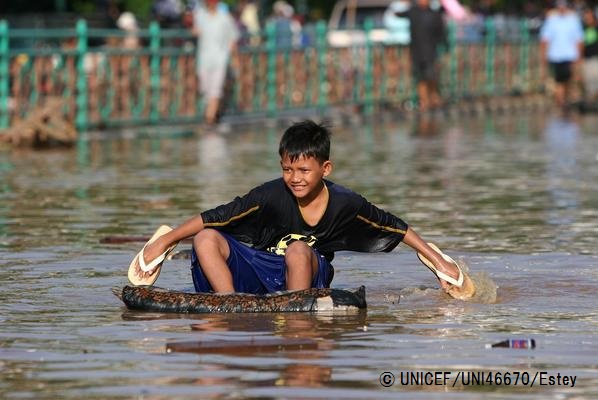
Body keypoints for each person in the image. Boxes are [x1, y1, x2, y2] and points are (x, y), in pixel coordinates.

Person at [130, 120, 474, 300]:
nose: (294, 178)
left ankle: (295, 308)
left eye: (304, 171)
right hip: (263, 268)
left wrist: (439, 262)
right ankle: (230, 303)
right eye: (287, 169)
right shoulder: (269, 194)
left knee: (298, 249)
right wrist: (166, 241)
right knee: (205, 238)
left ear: (326, 169)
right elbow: (220, 214)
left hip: (308, 272)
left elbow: (394, 227)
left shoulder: (345, 202)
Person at [192, 0, 240, 126]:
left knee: (215, 90)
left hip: (220, 59)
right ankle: (213, 114)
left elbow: (232, 39)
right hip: (204, 59)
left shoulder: (225, 18)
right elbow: (195, 31)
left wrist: (234, 58)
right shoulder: (201, 16)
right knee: (205, 89)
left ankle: (209, 120)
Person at [395, 0, 447, 112]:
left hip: (431, 51)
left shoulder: (434, 14)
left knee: (431, 75)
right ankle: (424, 100)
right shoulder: (413, 12)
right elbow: (398, 14)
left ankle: (434, 96)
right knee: (420, 76)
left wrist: (444, 45)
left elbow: (441, 32)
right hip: (417, 51)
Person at [540, 0, 584, 107]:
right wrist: (543, 55)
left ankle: (564, 100)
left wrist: (579, 56)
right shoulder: (551, 20)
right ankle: (561, 102)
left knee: (568, 79)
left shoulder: (573, 20)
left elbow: (579, 40)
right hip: (555, 55)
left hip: (569, 55)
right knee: (559, 80)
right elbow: (545, 39)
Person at [581, 7, 598, 103]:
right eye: (586, 18)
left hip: (596, 59)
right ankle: (591, 101)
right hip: (587, 59)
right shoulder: (582, 29)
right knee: (589, 83)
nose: (588, 19)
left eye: (589, 17)